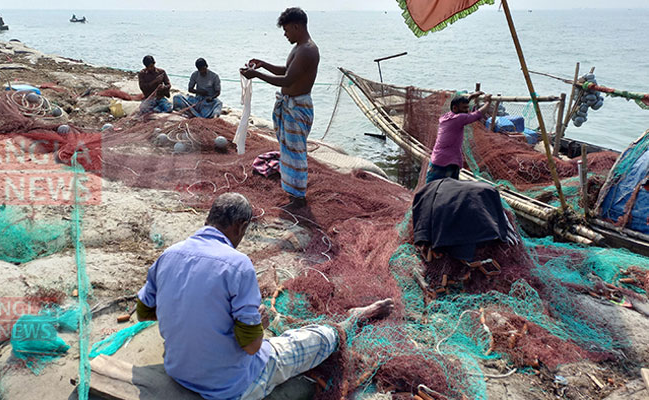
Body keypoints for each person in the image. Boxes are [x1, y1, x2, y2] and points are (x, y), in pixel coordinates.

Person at [136, 192, 394, 400]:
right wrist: (257, 326)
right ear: (241, 226)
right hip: (230, 386)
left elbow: (144, 313)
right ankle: (349, 322)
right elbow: (251, 346)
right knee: (312, 339)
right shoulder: (238, 265)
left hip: (177, 370)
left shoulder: (168, 255)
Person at [240, 7, 319, 207]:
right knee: (288, 149)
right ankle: (293, 192)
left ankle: (299, 197)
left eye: (286, 30)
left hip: (298, 107)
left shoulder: (308, 50)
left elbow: (287, 78)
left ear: (296, 26)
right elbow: (287, 70)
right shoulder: (299, 48)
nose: (285, 34)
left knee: (296, 152)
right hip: (289, 106)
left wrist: (256, 75)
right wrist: (263, 64)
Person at [425, 92, 492, 184]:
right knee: (449, 190)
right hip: (447, 162)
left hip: (437, 159)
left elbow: (462, 111)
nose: (467, 111)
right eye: (464, 108)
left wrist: (470, 98)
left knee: (430, 188)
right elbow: (477, 114)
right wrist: (488, 102)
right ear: (455, 108)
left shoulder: (447, 116)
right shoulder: (459, 119)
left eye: (467, 108)